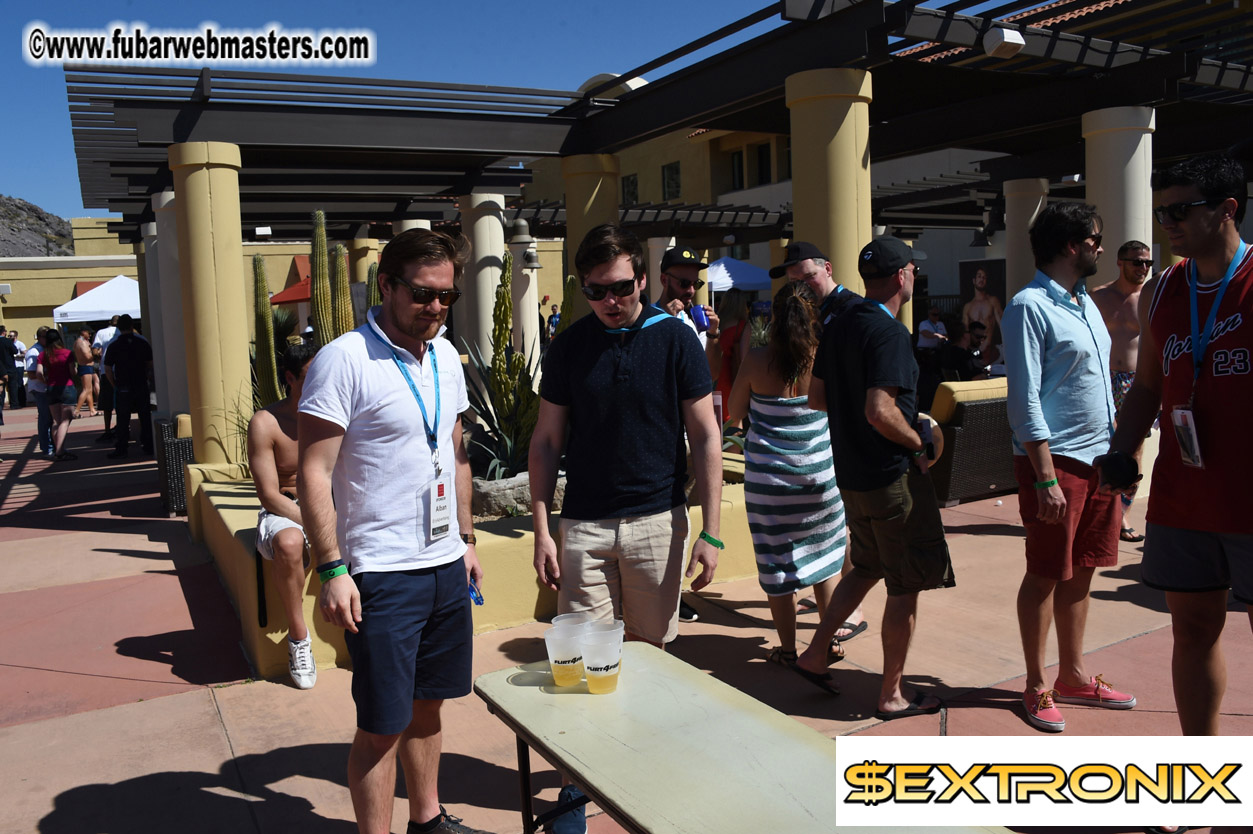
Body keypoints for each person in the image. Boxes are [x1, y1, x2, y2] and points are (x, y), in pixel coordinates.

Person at [297, 228, 488, 834]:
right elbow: (313, 471)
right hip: (379, 573)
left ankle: (427, 821)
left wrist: (466, 540)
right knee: (382, 725)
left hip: (443, 563)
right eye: (422, 293)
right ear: (386, 285)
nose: (435, 307)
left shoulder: (444, 356)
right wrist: (332, 568)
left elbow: (455, 453)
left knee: (429, 706)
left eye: (446, 296)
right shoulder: (345, 359)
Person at [1100, 153, 1251, 737]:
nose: (1168, 223)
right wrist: (1122, 449)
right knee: (1192, 631)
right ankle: (1203, 770)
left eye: (1181, 210)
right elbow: (1147, 387)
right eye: (1162, 211)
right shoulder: (1162, 290)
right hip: (1184, 495)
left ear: (1228, 209)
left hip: (1249, 497)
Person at [530, 223, 722, 647]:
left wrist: (711, 532)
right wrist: (543, 532)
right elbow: (545, 442)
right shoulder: (568, 347)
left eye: (620, 287)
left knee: (648, 652)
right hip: (584, 525)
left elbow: (706, 436)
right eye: (596, 291)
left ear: (642, 280)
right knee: (585, 655)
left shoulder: (676, 339)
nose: (610, 301)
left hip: (657, 521)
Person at [794, 236, 955, 720]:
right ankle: (891, 695)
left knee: (866, 567)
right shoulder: (888, 332)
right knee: (904, 585)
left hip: (851, 475)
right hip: (889, 477)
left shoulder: (840, 323)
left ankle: (815, 653)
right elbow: (880, 410)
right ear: (902, 276)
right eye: (913, 270)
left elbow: (816, 398)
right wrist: (917, 442)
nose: (914, 277)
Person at [1002, 202, 1136, 734]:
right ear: (1070, 245)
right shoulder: (1028, 307)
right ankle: (1036, 684)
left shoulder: (1084, 303)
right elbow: (1024, 400)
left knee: (1082, 570)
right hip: (1055, 463)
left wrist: (1119, 452)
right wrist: (1044, 477)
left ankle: (1074, 675)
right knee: (1045, 573)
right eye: (1094, 239)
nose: (1101, 247)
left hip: (1098, 460)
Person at [726, 281, 845, 666]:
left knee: (777, 566)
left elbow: (735, 412)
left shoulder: (757, 360)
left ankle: (790, 650)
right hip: (819, 480)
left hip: (769, 486)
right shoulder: (825, 357)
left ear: (775, 319)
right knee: (826, 563)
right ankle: (826, 642)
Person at [771, 240, 868, 641]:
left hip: (846, 430)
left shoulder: (851, 309)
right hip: (823, 435)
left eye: (808, 276)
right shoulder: (810, 315)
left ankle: (851, 608)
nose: (802, 285)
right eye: (794, 280)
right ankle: (831, 595)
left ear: (827, 269)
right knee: (831, 524)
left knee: (842, 523)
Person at [247, 342, 320, 690]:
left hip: (330, 503)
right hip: (286, 507)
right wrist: (314, 519)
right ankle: (299, 639)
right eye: (311, 375)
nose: (322, 381)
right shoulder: (266, 422)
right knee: (289, 544)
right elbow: (269, 494)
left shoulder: (335, 413)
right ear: (290, 378)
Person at [1092, 240, 1153, 543]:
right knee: (1102, 443)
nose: (1143, 268)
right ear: (1120, 262)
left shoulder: (1150, 297)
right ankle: (1101, 509)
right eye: (1137, 262)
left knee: (1135, 447)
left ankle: (1123, 513)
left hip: (1136, 380)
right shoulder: (1098, 296)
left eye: (1147, 263)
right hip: (1104, 378)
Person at [103, 315, 153, 459]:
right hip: (140, 383)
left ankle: (122, 447)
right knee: (145, 416)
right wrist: (147, 378)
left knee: (122, 418)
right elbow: (150, 364)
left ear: (118, 328)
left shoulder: (114, 345)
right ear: (132, 326)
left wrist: (114, 384)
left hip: (123, 385)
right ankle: (148, 444)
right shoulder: (142, 342)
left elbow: (107, 369)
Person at [37, 329, 78, 461]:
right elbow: (72, 371)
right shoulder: (67, 353)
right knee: (65, 421)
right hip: (67, 387)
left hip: (51, 388)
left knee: (56, 421)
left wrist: (46, 381)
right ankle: (60, 451)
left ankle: (58, 449)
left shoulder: (43, 355)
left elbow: (38, 373)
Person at [712, 288, 752, 413]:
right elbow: (744, 359)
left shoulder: (717, 323)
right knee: (734, 416)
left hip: (715, 373)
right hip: (733, 376)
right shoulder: (743, 326)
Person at [25, 327, 54, 457]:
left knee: (51, 418)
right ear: (39, 337)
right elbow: (31, 374)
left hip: (48, 388)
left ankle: (52, 444)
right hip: (40, 389)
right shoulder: (34, 351)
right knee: (45, 418)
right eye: (45, 337)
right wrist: (47, 376)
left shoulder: (48, 349)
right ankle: (47, 447)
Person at [92, 315, 120, 443]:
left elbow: (94, 351)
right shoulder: (123, 332)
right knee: (121, 401)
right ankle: (122, 427)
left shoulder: (101, 332)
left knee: (107, 404)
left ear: (110, 322)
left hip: (105, 370)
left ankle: (107, 430)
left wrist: (100, 356)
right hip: (121, 370)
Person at [962, 266, 1004, 345]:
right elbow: (965, 332)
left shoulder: (993, 301)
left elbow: (1002, 325)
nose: (981, 279)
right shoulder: (968, 307)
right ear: (974, 280)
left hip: (990, 348)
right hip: (974, 349)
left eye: (984, 277)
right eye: (979, 276)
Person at [73, 328, 99, 418]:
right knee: (86, 389)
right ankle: (76, 411)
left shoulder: (78, 342)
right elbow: (88, 357)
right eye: (89, 333)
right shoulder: (82, 342)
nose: (90, 335)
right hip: (85, 367)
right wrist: (96, 353)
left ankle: (92, 410)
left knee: (89, 390)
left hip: (85, 366)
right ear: (83, 332)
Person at [0, 325, 22, 409]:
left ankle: (1, 404)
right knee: (13, 387)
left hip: (0, 368)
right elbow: (15, 351)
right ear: (3, 332)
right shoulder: (8, 341)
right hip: (10, 366)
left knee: (1, 386)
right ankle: (14, 404)